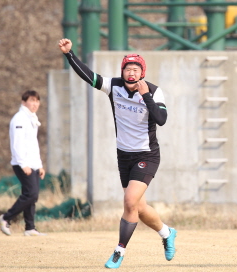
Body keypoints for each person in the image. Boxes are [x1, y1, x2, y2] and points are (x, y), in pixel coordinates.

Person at [57, 38, 176, 269]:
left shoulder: (154, 91)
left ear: (142, 72)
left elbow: (161, 119)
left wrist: (146, 96)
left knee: (129, 201)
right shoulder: (114, 86)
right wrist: (69, 54)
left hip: (147, 155)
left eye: (136, 69)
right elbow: (88, 76)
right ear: (122, 72)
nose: (131, 73)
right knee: (138, 207)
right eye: (127, 69)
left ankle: (119, 251)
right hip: (124, 155)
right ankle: (167, 233)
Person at [0, 90, 47, 237]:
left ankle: (30, 228)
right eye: (32, 100)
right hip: (22, 164)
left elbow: (33, 145)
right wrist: (23, 164)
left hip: (32, 164)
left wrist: (39, 165)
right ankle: (6, 218)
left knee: (32, 195)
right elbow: (17, 144)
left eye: (37, 101)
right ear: (23, 102)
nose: (35, 104)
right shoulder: (19, 119)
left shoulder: (31, 118)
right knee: (31, 194)